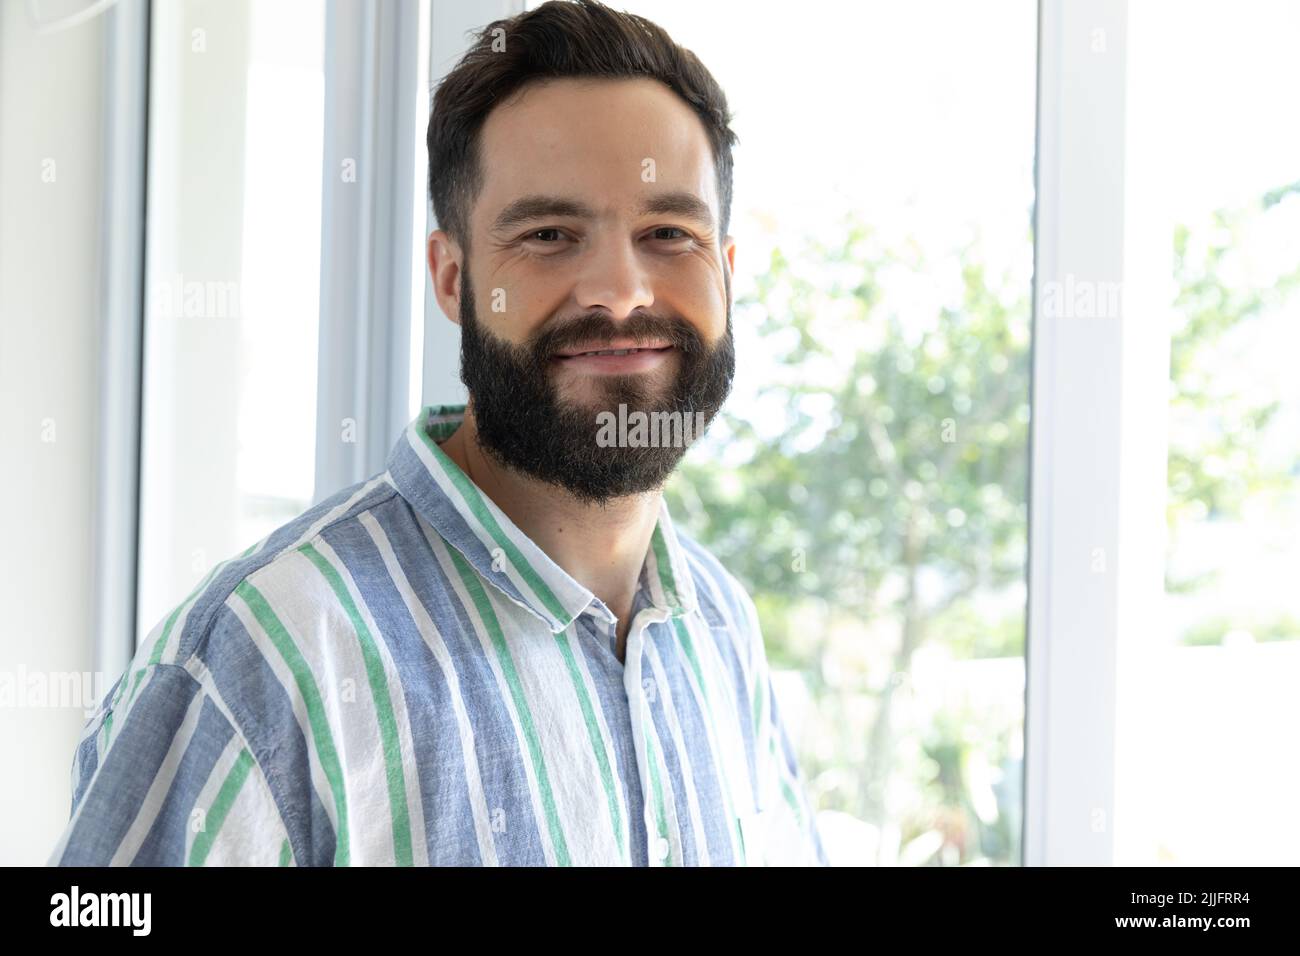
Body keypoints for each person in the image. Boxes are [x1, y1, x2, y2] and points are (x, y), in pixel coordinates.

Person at [48, 0, 827, 867]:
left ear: (724, 273)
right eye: (549, 234)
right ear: (453, 279)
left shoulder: (722, 630)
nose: (618, 290)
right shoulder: (259, 661)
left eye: (668, 233)